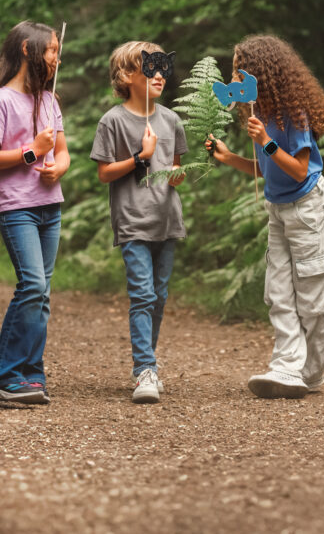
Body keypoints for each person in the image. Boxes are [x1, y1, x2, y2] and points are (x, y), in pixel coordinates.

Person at [205, 34, 324, 399]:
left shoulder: (293, 113)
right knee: (278, 292)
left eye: (238, 69)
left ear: (259, 72)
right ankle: (286, 366)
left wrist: (266, 141)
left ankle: (309, 374)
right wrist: (230, 157)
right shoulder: (257, 114)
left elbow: (297, 170)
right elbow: (268, 171)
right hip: (277, 210)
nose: (233, 76)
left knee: (312, 298)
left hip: (309, 209)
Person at [0, 20, 70, 404]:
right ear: (28, 50)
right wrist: (32, 150)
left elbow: (62, 153)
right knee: (31, 285)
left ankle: (30, 375)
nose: (56, 56)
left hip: (50, 206)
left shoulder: (49, 100)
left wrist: (57, 166)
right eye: (51, 49)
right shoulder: (1, 101)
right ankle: (2, 379)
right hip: (17, 208)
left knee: (42, 293)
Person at [90, 41, 187, 404]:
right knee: (143, 295)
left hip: (167, 220)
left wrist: (177, 174)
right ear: (128, 76)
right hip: (132, 221)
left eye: (163, 67)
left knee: (159, 297)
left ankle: (149, 364)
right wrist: (140, 157)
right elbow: (104, 173)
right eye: (151, 68)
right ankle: (144, 368)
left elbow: (176, 167)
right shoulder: (113, 120)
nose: (159, 74)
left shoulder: (172, 120)